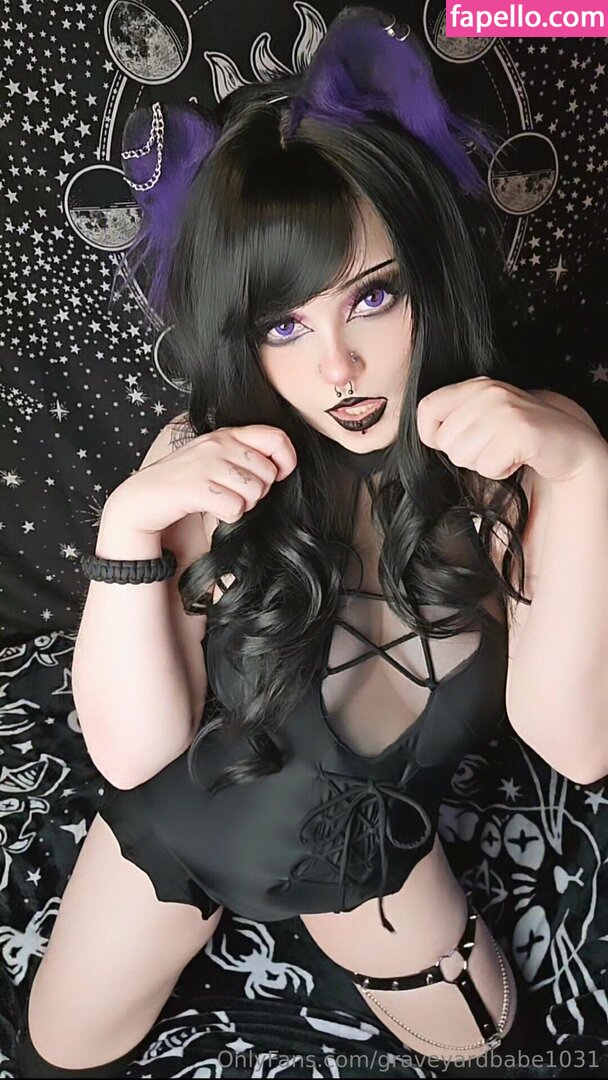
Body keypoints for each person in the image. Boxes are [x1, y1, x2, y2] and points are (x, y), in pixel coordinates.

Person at [17, 6, 569, 1076]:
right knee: (57, 1052)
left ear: (428, 274)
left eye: (372, 298)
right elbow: (131, 754)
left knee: (500, 1050)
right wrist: (129, 523)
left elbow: (580, 742)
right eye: (283, 324)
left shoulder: (514, 463)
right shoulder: (205, 459)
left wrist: (582, 467)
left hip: (371, 866)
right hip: (184, 826)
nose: (337, 370)